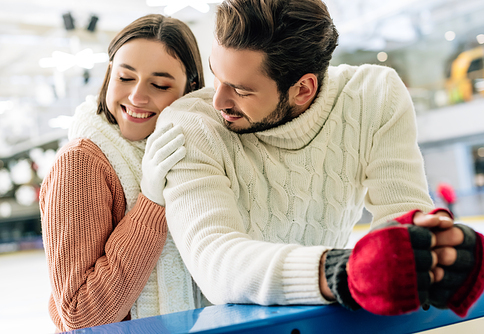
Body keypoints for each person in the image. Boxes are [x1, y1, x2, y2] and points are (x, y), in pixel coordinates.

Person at [143, 0, 484, 317]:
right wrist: (341, 271)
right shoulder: (189, 124)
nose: (218, 100)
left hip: (326, 321)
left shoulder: (374, 95)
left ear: (303, 89)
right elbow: (216, 261)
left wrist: (437, 251)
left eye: (242, 90)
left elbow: (402, 215)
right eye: (216, 75)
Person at [39, 14, 204, 331]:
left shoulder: (190, 156)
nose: (137, 96)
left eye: (159, 84)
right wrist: (151, 201)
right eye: (125, 78)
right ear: (108, 75)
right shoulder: (81, 164)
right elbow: (80, 315)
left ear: (190, 89)